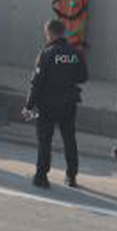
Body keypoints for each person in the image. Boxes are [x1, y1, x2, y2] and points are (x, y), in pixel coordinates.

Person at [24, 19, 85, 189]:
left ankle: (41, 176)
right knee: (69, 139)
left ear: (50, 33)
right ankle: (71, 176)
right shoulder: (75, 53)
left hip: (47, 104)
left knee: (45, 140)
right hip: (68, 102)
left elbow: (37, 82)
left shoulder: (47, 53)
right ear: (63, 32)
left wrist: (29, 105)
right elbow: (83, 77)